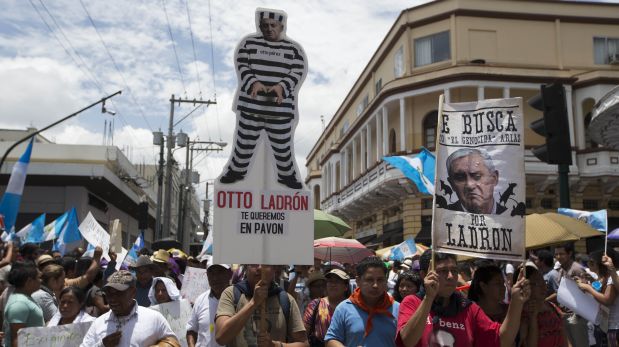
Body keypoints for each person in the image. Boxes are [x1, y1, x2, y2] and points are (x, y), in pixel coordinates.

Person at [218, 7, 307, 189]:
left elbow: (297, 71)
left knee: (283, 147)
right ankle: (236, 171)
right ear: (260, 25)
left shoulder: (294, 49)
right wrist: (253, 83)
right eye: (265, 25)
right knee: (243, 143)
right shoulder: (248, 44)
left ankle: (287, 176)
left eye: (273, 25)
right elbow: (243, 65)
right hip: (250, 107)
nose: (269, 29)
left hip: (280, 110)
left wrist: (281, 87)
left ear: (281, 26)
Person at [395, 250, 530, 347]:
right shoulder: (412, 302)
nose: (450, 276)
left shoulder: (469, 308)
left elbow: (502, 340)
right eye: (442, 271)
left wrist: (516, 303)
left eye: (454, 270)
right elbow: (407, 341)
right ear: (424, 274)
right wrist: (428, 298)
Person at [215, 264, 307, 347]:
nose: (259, 267)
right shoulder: (231, 294)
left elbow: (304, 343)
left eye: (265, 263)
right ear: (246, 267)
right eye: (254, 263)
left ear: (274, 268)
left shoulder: (285, 299)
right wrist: (253, 303)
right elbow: (221, 338)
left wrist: (275, 345)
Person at [80, 270, 179, 347]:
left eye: (118, 293)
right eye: (109, 294)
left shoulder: (154, 318)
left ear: (133, 292)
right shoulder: (99, 323)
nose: (113, 299)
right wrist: (102, 345)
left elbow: (173, 342)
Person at [324, 256, 400, 347]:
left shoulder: (398, 309)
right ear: (358, 281)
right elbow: (331, 340)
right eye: (369, 280)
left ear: (386, 281)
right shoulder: (344, 308)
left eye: (380, 280)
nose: (375, 285)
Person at [516, 262, 566, 347]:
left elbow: (565, 336)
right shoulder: (521, 314)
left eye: (544, 282)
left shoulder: (551, 306)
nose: (543, 286)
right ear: (525, 285)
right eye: (537, 283)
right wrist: (533, 317)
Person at [577, 249, 619, 346]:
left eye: (592, 262)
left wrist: (588, 288)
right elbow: (599, 288)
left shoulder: (614, 276)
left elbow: (607, 299)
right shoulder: (606, 277)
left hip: (614, 326)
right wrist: (591, 282)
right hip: (606, 324)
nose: (589, 264)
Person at [445, 148, 505, 215]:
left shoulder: (513, 216)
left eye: (477, 176)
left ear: (494, 178)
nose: (469, 185)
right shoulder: (442, 216)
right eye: (460, 178)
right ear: (452, 184)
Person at [186, 262, 232, 347]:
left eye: (220, 272)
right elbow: (191, 330)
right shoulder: (200, 300)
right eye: (211, 273)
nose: (215, 278)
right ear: (207, 275)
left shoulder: (239, 299)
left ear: (230, 274)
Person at [552, 242, 589, 347]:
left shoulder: (576, 269)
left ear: (569, 254)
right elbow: (560, 292)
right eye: (556, 254)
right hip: (565, 315)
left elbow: (586, 291)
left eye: (562, 254)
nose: (558, 257)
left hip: (577, 316)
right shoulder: (561, 269)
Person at [303, 269, 350, 347]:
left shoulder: (352, 306)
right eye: (330, 281)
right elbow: (304, 335)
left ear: (345, 287)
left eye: (337, 282)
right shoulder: (315, 305)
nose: (333, 284)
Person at [3, 261, 44, 347]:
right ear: (29, 281)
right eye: (39, 278)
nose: (41, 280)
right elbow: (17, 339)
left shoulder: (25, 298)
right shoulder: (19, 304)